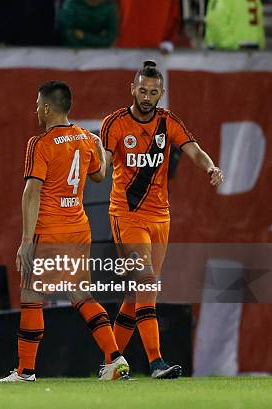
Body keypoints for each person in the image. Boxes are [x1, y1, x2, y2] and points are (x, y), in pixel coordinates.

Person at [0, 80, 130, 382]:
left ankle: (25, 371)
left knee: (32, 295)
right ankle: (115, 357)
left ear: (45, 108)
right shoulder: (85, 137)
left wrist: (27, 241)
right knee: (82, 294)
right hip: (79, 228)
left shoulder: (39, 144)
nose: (35, 111)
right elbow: (99, 176)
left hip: (49, 229)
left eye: (37, 105)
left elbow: (32, 191)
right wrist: (102, 152)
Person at [100, 60, 224, 379]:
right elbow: (102, 166)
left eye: (153, 92)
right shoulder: (114, 123)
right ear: (132, 88)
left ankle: (111, 364)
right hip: (126, 216)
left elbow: (193, 149)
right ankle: (156, 362)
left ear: (161, 93)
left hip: (160, 217)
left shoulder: (168, 122)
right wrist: (93, 168)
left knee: (135, 294)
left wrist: (210, 167)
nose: (146, 96)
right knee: (146, 283)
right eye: (142, 90)